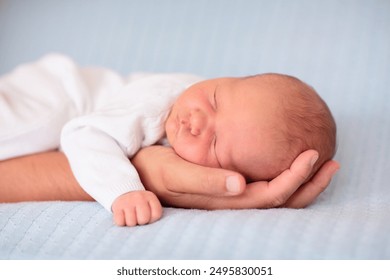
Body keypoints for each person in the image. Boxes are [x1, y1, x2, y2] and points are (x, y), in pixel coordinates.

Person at [0, 54, 338, 226]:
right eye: (216, 98)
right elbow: (84, 135)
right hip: (57, 95)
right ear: (227, 78)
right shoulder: (154, 106)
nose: (197, 120)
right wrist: (125, 190)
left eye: (216, 143)